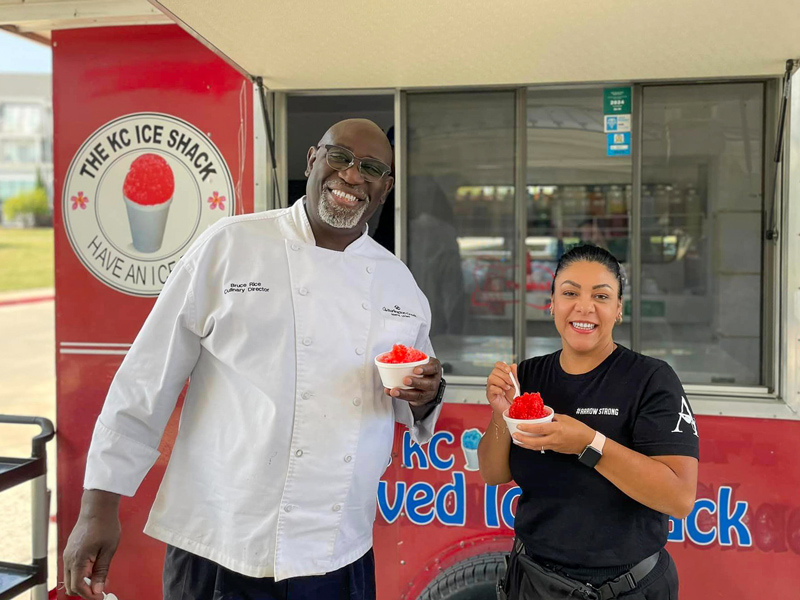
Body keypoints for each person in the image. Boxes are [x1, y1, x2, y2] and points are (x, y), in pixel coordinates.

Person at [63, 119, 445, 600]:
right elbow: (146, 378)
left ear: (385, 187)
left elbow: (417, 392)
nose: (351, 176)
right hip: (222, 542)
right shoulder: (230, 245)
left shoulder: (398, 282)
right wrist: (98, 508)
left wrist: (426, 395)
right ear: (311, 160)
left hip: (336, 552)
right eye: (339, 157)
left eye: (370, 168)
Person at [478, 244, 698, 600]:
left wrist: (588, 444)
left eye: (601, 295)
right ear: (552, 304)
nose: (584, 307)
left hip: (628, 587)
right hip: (534, 581)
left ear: (618, 309)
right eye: (569, 293)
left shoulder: (651, 379)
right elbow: (493, 473)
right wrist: (501, 413)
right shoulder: (529, 375)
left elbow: (679, 498)